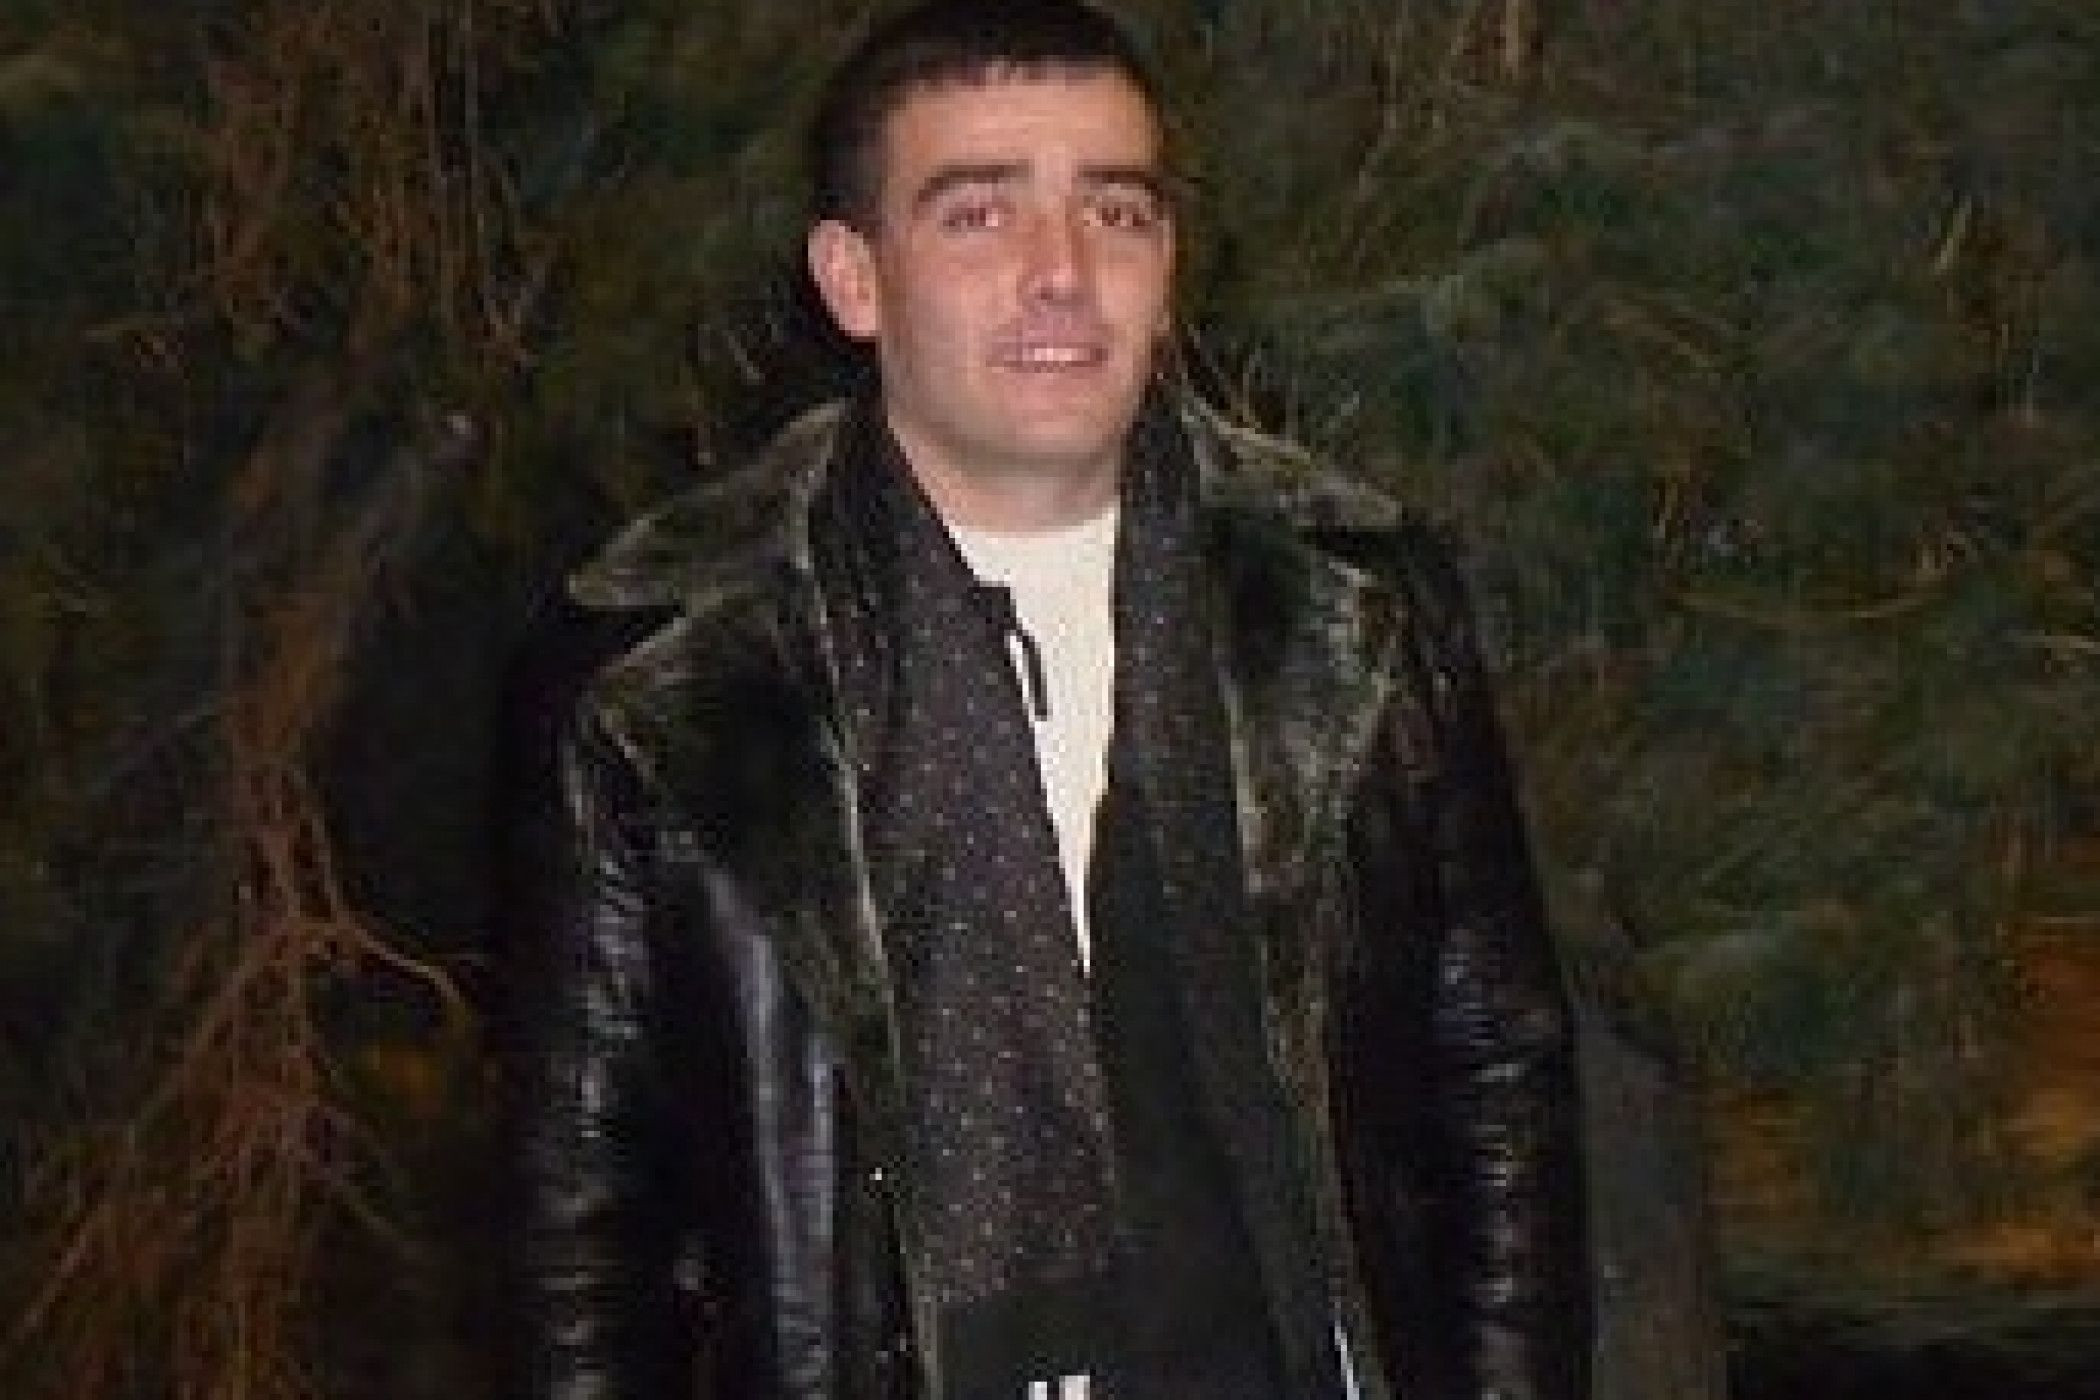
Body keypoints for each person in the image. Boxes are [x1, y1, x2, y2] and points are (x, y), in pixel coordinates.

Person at [510, 2, 1591, 1397]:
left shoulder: (1351, 611)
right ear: (854, 277)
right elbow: (580, 1220)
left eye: (1116, 213)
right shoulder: (666, 674)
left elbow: (1498, 1081)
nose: (1063, 272)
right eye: (979, 216)